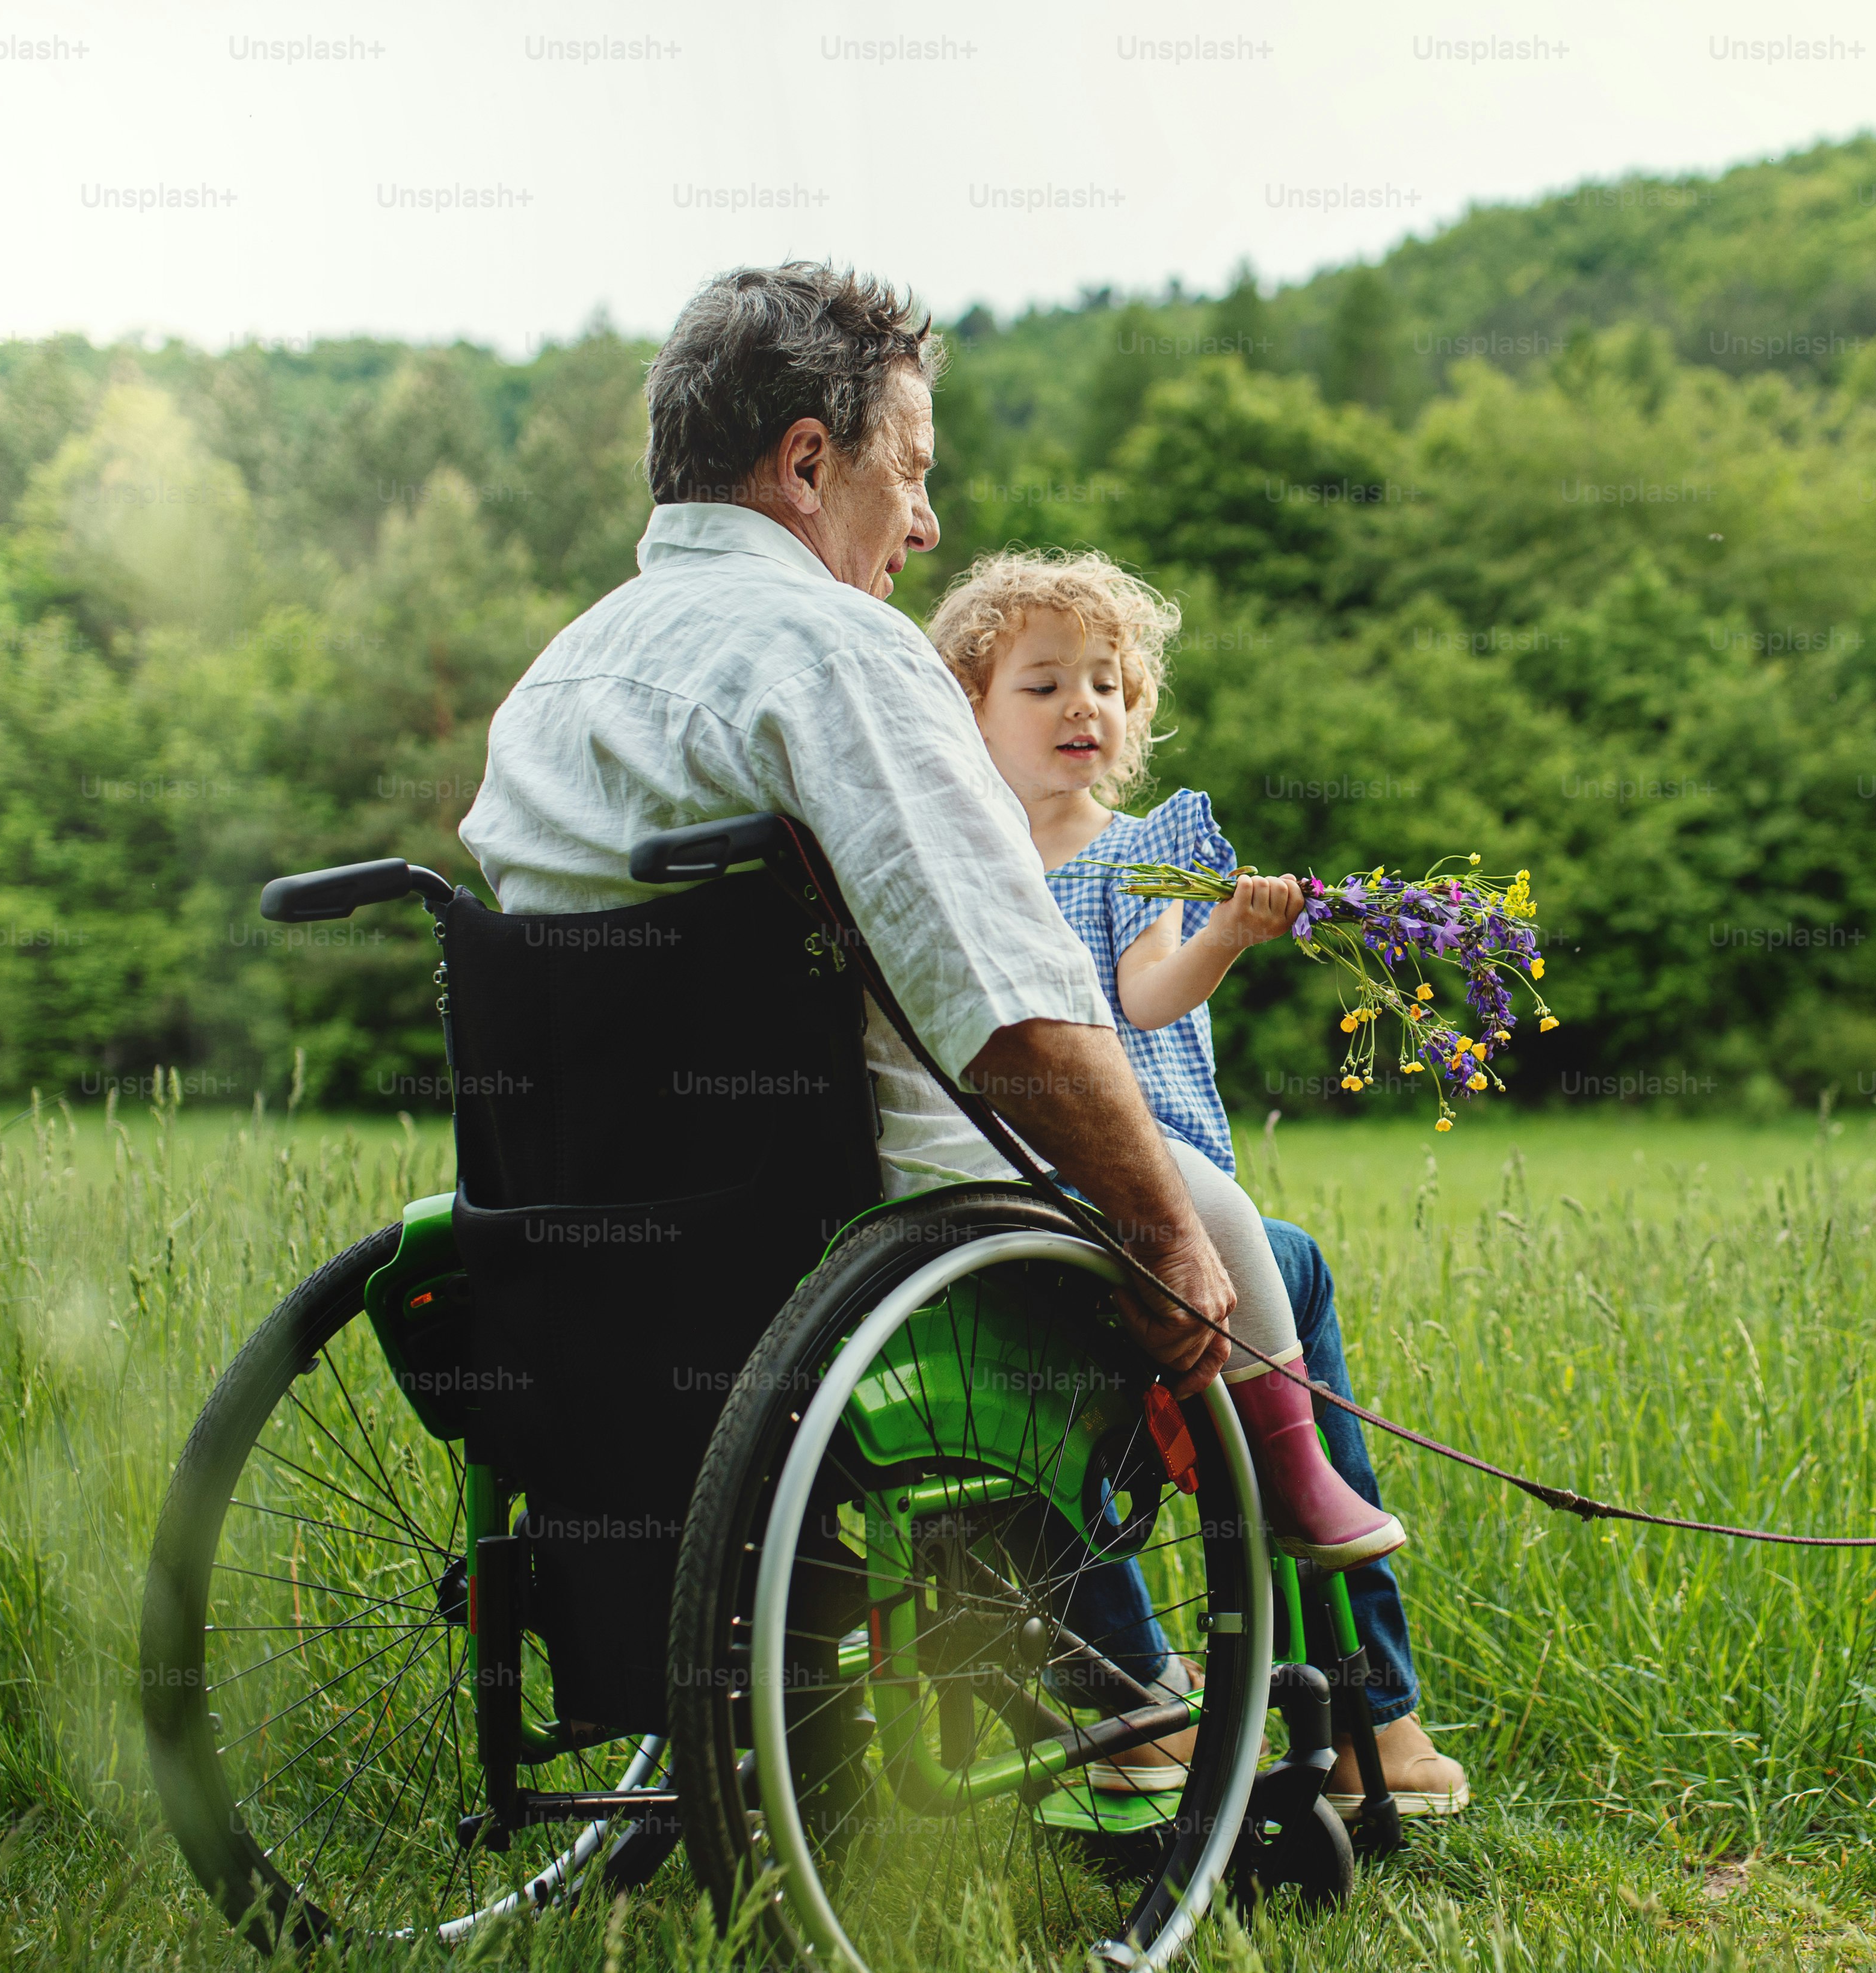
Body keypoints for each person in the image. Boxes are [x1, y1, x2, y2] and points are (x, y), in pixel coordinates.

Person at [456, 261, 1460, 1821]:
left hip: (590, 1248)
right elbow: (1016, 1011)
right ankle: (1186, 1688)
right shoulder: (835, 658)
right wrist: (1165, 1241)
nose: (924, 527)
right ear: (807, 462)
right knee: (1230, 1249)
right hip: (860, 1242)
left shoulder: (562, 673)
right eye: (910, 474)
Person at [927, 548, 1399, 1572]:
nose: (1081, 707)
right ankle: (1126, 1661)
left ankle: (1291, 1462)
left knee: (1223, 1222)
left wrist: (1224, 933)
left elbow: (1147, 997)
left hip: (1127, 1139)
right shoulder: (963, 855)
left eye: (1105, 685)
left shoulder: (1140, 851)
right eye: (1043, 685)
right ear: (970, 709)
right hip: (1012, 1150)